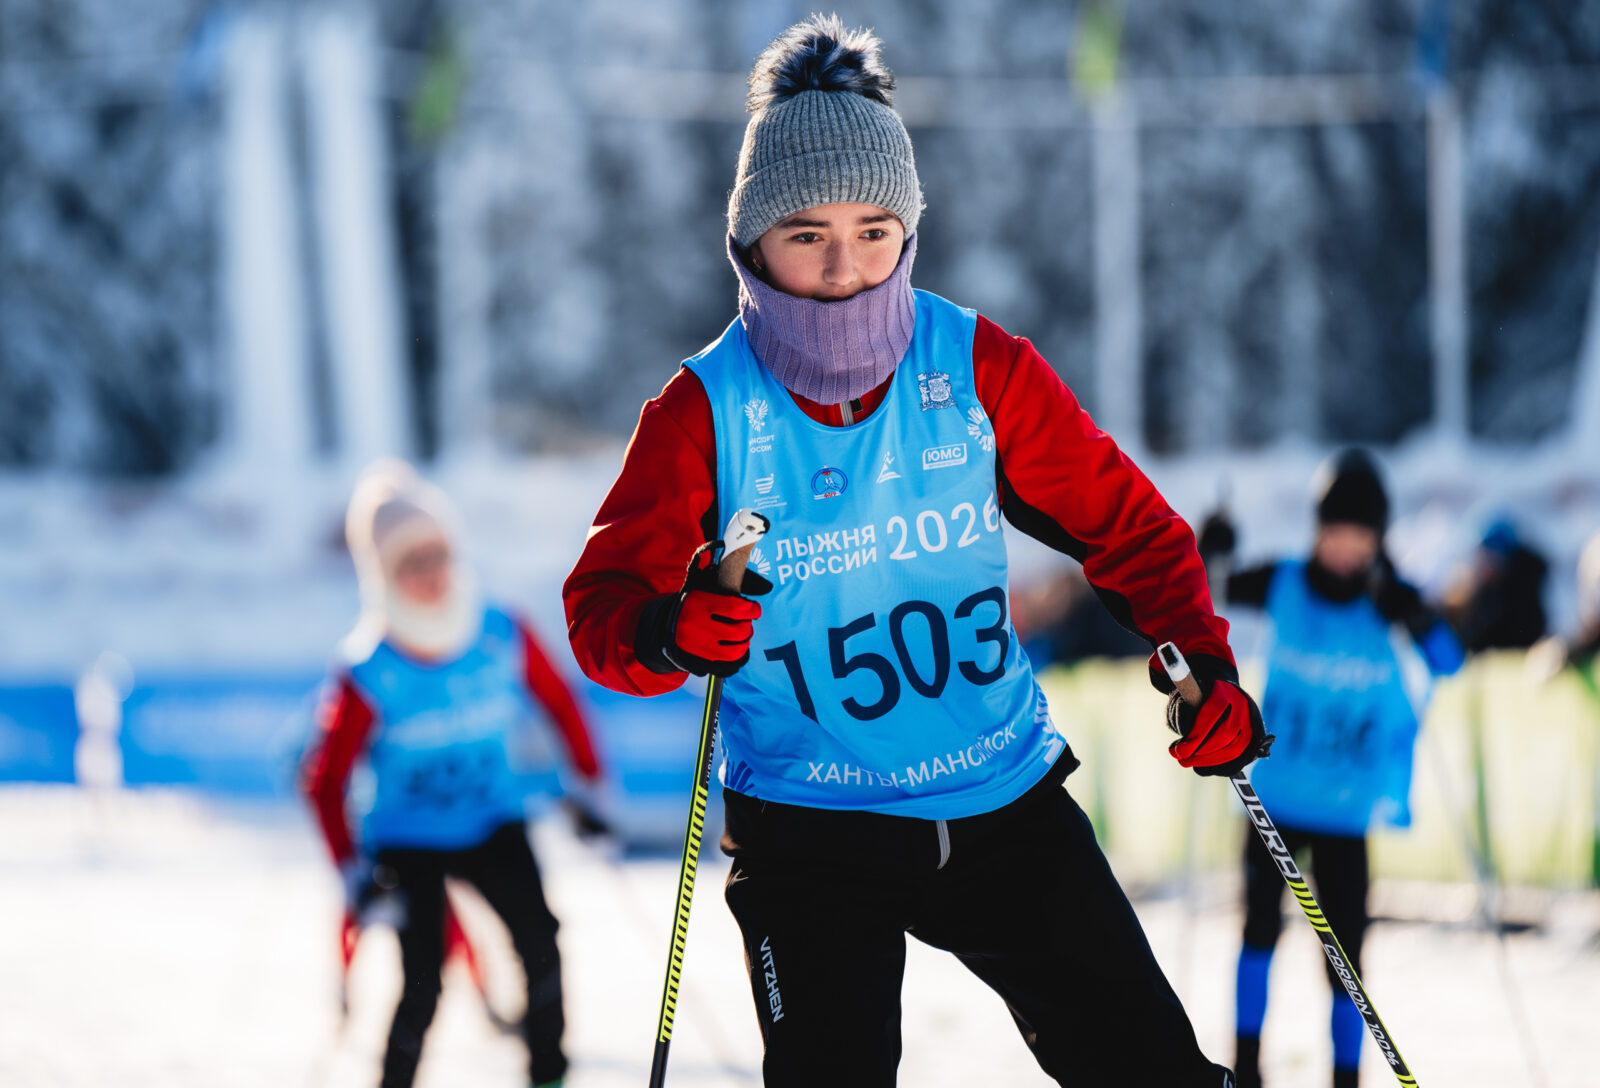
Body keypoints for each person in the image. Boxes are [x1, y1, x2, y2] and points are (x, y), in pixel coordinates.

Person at [563, 16, 1266, 1086]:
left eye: (874, 229)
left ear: (909, 232)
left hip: (997, 797)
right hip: (808, 824)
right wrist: (670, 629)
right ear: (749, 241)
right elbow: (602, 611)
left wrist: (1205, 664)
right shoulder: (703, 410)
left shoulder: (975, 365)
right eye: (806, 233)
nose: (844, 268)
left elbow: (1129, 527)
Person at [302, 460, 607, 1088]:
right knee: (424, 980)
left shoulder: (500, 633)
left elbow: (561, 703)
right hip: (407, 836)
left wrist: (589, 784)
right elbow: (324, 779)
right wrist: (352, 870)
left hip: (493, 818)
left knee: (541, 942)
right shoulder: (369, 668)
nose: (431, 573)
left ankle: (549, 1078)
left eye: (438, 553)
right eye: (410, 562)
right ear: (383, 575)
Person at [1196, 449, 1464, 1088]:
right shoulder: (1285, 582)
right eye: (1335, 533)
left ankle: (1347, 1077)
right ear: (1317, 531)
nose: (1346, 549)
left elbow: (1450, 660)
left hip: (1347, 807)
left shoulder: (1389, 599)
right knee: (1258, 931)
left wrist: (1417, 616)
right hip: (1276, 798)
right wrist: (1210, 552)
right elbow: (1208, 590)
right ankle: (1247, 1067)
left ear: (1378, 538)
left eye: (1359, 536)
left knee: (1345, 955)